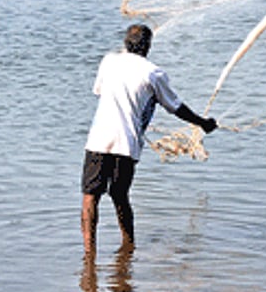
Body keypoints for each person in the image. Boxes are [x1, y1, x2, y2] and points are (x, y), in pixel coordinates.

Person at [81, 23, 217, 253]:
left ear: (126, 43)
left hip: (98, 139)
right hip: (127, 143)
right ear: (148, 46)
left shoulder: (108, 61)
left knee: (90, 197)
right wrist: (203, 123)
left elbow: (100, 90)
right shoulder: (153, 73)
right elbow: (176, 107)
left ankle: (89, 253)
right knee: (120, 195)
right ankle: (128, 246)